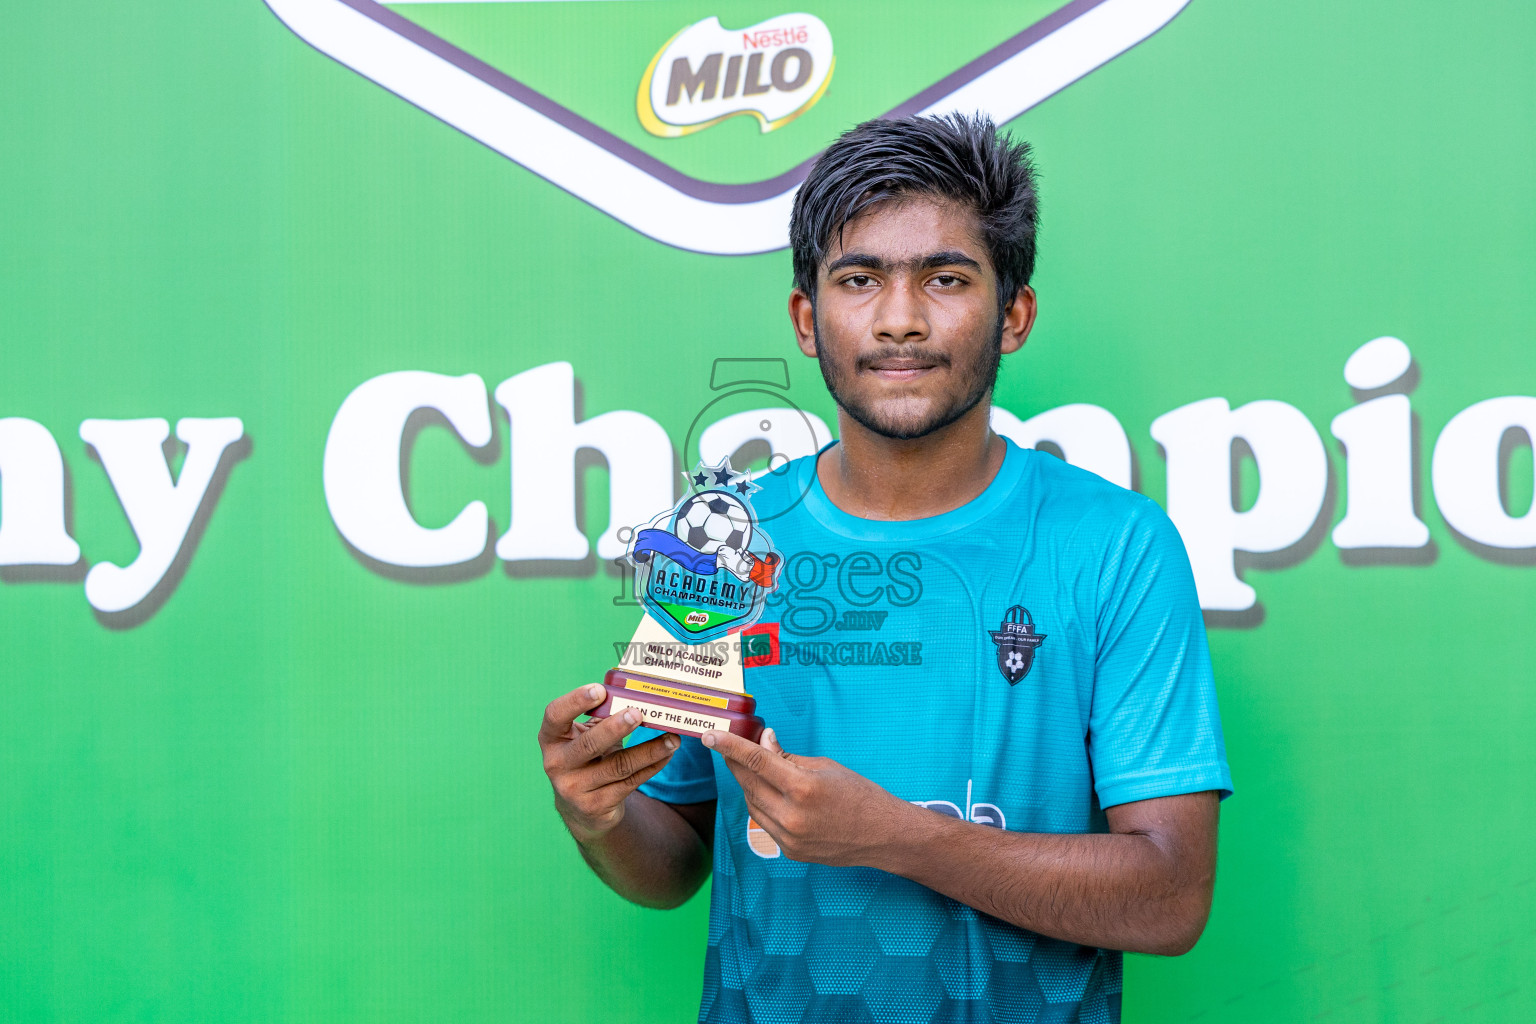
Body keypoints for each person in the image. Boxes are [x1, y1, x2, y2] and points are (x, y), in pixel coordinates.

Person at [537, 113, 1232, 1024]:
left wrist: (896, 838)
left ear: (1014, 313)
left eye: (946, 279)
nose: (900, 319)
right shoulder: (719, 541)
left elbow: (1171, 896)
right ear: (806, 318)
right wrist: (601, 816)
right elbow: (672, 862)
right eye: (859, 279)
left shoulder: (1119, 546)